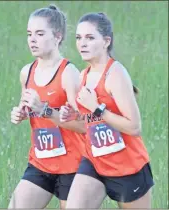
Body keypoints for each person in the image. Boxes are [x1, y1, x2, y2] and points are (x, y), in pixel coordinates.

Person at [59, 12, 154, 209]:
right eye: (78, 38)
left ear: (106, 41)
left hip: (128, 167)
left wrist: (96, 108)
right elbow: (89, 124)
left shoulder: (115, 74)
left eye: (90, 38)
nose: (82, 44)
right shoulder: (83, 75)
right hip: (95, 162)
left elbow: (134, 127)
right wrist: (73, 116)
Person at [9, 4, 85, 209]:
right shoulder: (27, 72)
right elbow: (26, 107)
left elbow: (84, 125)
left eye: (40, 34)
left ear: (57, 36)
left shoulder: (69, 73)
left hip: (73, 166)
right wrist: (20, 114)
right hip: (40, 163)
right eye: (29, 34)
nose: (32, 40)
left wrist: (44, 109)